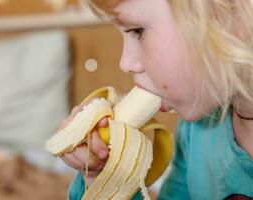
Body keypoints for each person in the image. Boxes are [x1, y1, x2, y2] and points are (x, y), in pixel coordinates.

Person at [57, 0, 253, 199]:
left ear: (234, 19)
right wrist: (104, 179)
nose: (126, 63)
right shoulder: (197, 129)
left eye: (137, 31)